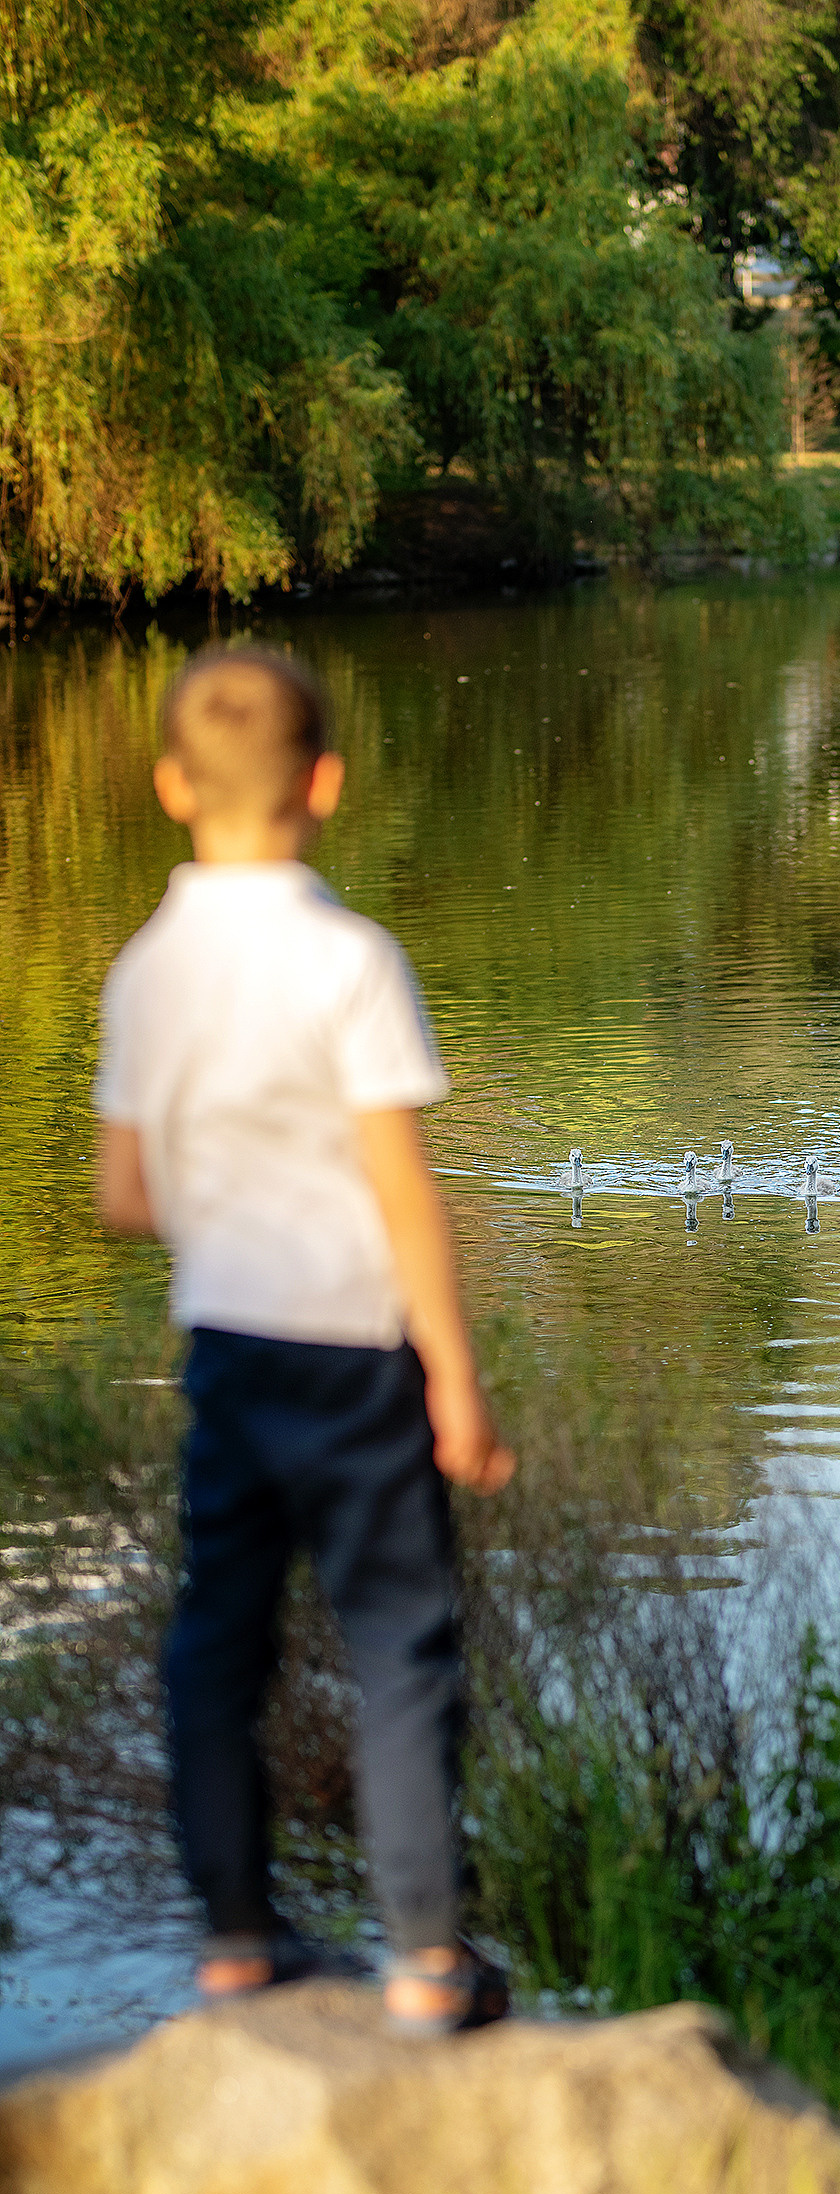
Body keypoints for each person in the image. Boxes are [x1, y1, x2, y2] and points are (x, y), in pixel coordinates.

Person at [94, 646, 515, 2036]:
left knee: (219, 1637)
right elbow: (403, 1195)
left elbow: (124, 1196)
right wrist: (455, 1379)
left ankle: (232, 1936)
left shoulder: (146, 972)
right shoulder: (351, 962)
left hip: (229, 1346)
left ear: (172, 786)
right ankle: (426, 1959)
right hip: (355, 1351)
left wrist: (234, 1214)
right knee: (398, 1645)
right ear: (325, 784)